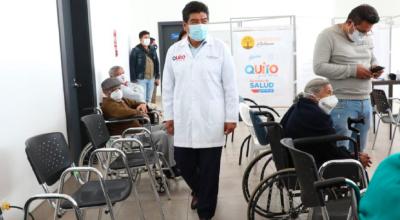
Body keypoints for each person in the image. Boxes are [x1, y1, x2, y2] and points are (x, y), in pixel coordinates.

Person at [162, 1, 239, 219]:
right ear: (185, 25)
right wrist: (169, 116)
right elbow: (168, 87)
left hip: (212, 119)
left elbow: (230, 85)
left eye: (204, 21)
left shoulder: (220, 48)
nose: (200, 25)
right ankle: (200, 190)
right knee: (183, 163)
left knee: (209, 171)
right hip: (183, 119)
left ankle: (206, 212)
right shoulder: (174, 51)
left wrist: (231, 116)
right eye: (194, 21)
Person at [313, 4, 383, 151]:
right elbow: (318, 67)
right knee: (341, 153)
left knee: (359, 152)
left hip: (366, 101)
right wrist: (352, 71)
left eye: (368, 31)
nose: (364, 35)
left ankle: (355, 175)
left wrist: (375, 67)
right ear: (350, 23)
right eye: (362, 31)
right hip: (342, 103)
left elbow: (371, 56)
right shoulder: (327, 36)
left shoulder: (367, 36)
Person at [281, 78, 371, 168]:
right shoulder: (318, 116)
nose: (332, 97)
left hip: (297, 161)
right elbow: (331, 151)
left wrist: (350, 155)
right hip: (312, 166)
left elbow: (327, 148)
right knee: (358, 163)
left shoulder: (297, 107)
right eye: (329, 93)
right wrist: (355, 158)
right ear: (314, 94)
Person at [100, 77, 177, 173]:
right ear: (107, 92)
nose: (119, 91)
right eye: (116, 89)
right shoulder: (109, 105)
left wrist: (143, 104)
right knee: (164, 136)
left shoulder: (120, 100)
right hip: (132, 136)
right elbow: (125, 112)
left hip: (140, 130)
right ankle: (170, 167)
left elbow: (136, 103)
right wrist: (140, 113)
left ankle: (168, 161)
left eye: (119, 88)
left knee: (168, 127)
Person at [129, 30, 160, 103]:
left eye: (148, 37)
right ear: (140, 39)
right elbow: (132, 65)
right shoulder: (135, 50)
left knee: (149, 99)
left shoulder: (152, 49)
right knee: (142, 99)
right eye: (145, 37)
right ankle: (143, 113)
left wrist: (157, 77)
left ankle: (148, 113)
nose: (147, 39)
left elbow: (156, 63)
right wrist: (133, 80)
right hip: (141, 79)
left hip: (151, 78)